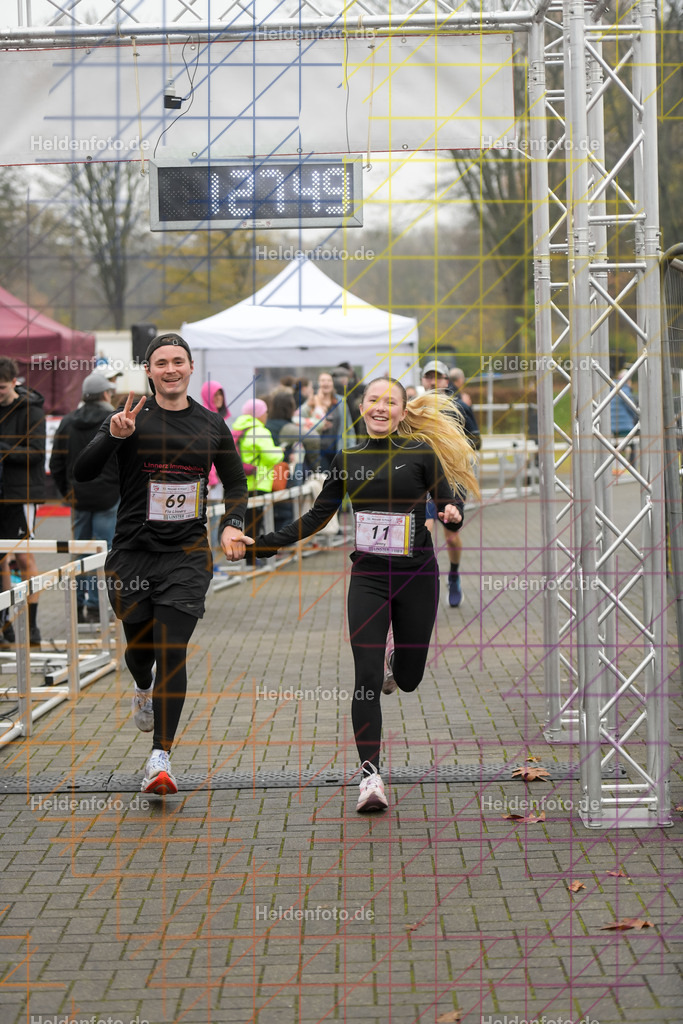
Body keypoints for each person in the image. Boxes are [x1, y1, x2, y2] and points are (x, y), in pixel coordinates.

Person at [248, 376, 479, 812]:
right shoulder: (348, 458)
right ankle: (370, 778)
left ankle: (399, 664)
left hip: (416, 576)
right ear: (361, 406)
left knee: (407, 679)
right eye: (372, 400)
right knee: (366, 678)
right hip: (369, 579)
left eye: (389, 402)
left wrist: (453, 514)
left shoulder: (422, 454)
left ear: (402, 410)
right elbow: (318, 516)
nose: (379, 407)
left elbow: (450, 507)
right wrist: (264, 543)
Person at [73, 334, 250, 796]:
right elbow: (83, 472)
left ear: (191, 367)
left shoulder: (212, 424)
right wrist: (113, 437)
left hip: (187, 556)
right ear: (148, 371)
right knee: (141, 651)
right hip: (132, 553)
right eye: (160, 363)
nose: (170, 369)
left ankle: (160, 757)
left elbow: (235, 483)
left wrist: (232, 523)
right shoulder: (130, 418)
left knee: (173, 650)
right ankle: (141, 685)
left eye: (178, 362)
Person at [49, 372, 120, 623]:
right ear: (104, 394)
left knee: (79, 552)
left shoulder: (68, 421)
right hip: (108, 497)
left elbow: (56, 461)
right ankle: (98, 607)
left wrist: (67, 493)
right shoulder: (113, 419)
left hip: (78, 497)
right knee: (105, 552)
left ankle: (78, 607)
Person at [421, 360, 480, 608]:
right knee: (423, 531)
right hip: (422, 478)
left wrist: (457, 449)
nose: (433, 382)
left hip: (453, 479)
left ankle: (453, 575)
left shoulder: (458, 407)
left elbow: (476, 440)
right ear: (423, 380)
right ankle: (422, 583)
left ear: (447, 381)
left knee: (451, 537)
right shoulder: (414, 407)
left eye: (439, 377)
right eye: (429, 377)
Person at [0, 357, 46, 646]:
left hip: (21, 494)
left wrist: (3, 450)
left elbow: (38, 453)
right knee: (0, 559)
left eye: (2, 388)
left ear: (14, 382)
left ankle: (32, 625)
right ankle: (6, 623)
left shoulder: (31, 411)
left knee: (24, 557)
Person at [230, 398, 284, 547]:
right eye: (265, 411)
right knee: (256, 526)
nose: (266, 415)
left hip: (242, 483)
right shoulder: (259, 431)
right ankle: (252, 559)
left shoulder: (238, 429)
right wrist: (280, 451)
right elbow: (271, 456)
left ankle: (248, 560)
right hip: (259, 483)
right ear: (259, 414)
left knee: (246, 523)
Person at [300, 372, 355, 472]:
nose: (326, 383)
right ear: (318, 384)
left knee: (338, 480)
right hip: (319, 451)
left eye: (329, 381)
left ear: (332, 383)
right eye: (323, 381)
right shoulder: (312, 400)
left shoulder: (341, 401)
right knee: (323, 479)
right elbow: (298, 418)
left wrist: (351, 447)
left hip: (338, 449)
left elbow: (349, 427)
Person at [200, 380, 230, 551]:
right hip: (209, 482)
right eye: (215, 394)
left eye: (221, 394)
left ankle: (213, 565)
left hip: (218, 482)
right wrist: (210, 477)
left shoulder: (220, 420)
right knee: (208, 523)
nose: (218, 398)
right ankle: (209, 564)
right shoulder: (204, 419)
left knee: (215, 520)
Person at [610, 368, 638, 469]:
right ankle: (632, 467)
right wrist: (636, 417)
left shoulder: (611, 389)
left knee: (615, 447)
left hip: (612, 426)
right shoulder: (625, 390)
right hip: (625, 426)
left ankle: (615, 466)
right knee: (633, 444)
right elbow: (632, 409)